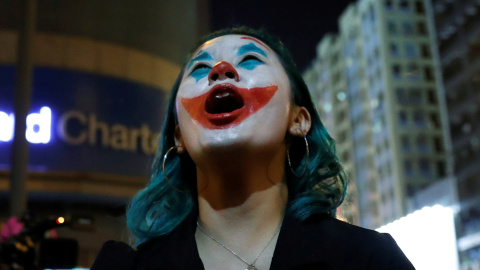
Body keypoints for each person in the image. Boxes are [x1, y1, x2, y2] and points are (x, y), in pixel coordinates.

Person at [91, 27, 415, 270]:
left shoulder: (369, 260)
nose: (220, 71)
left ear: (299, 120)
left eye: (249, 59)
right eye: (201, 69)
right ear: (179, 137)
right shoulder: (121, 268)